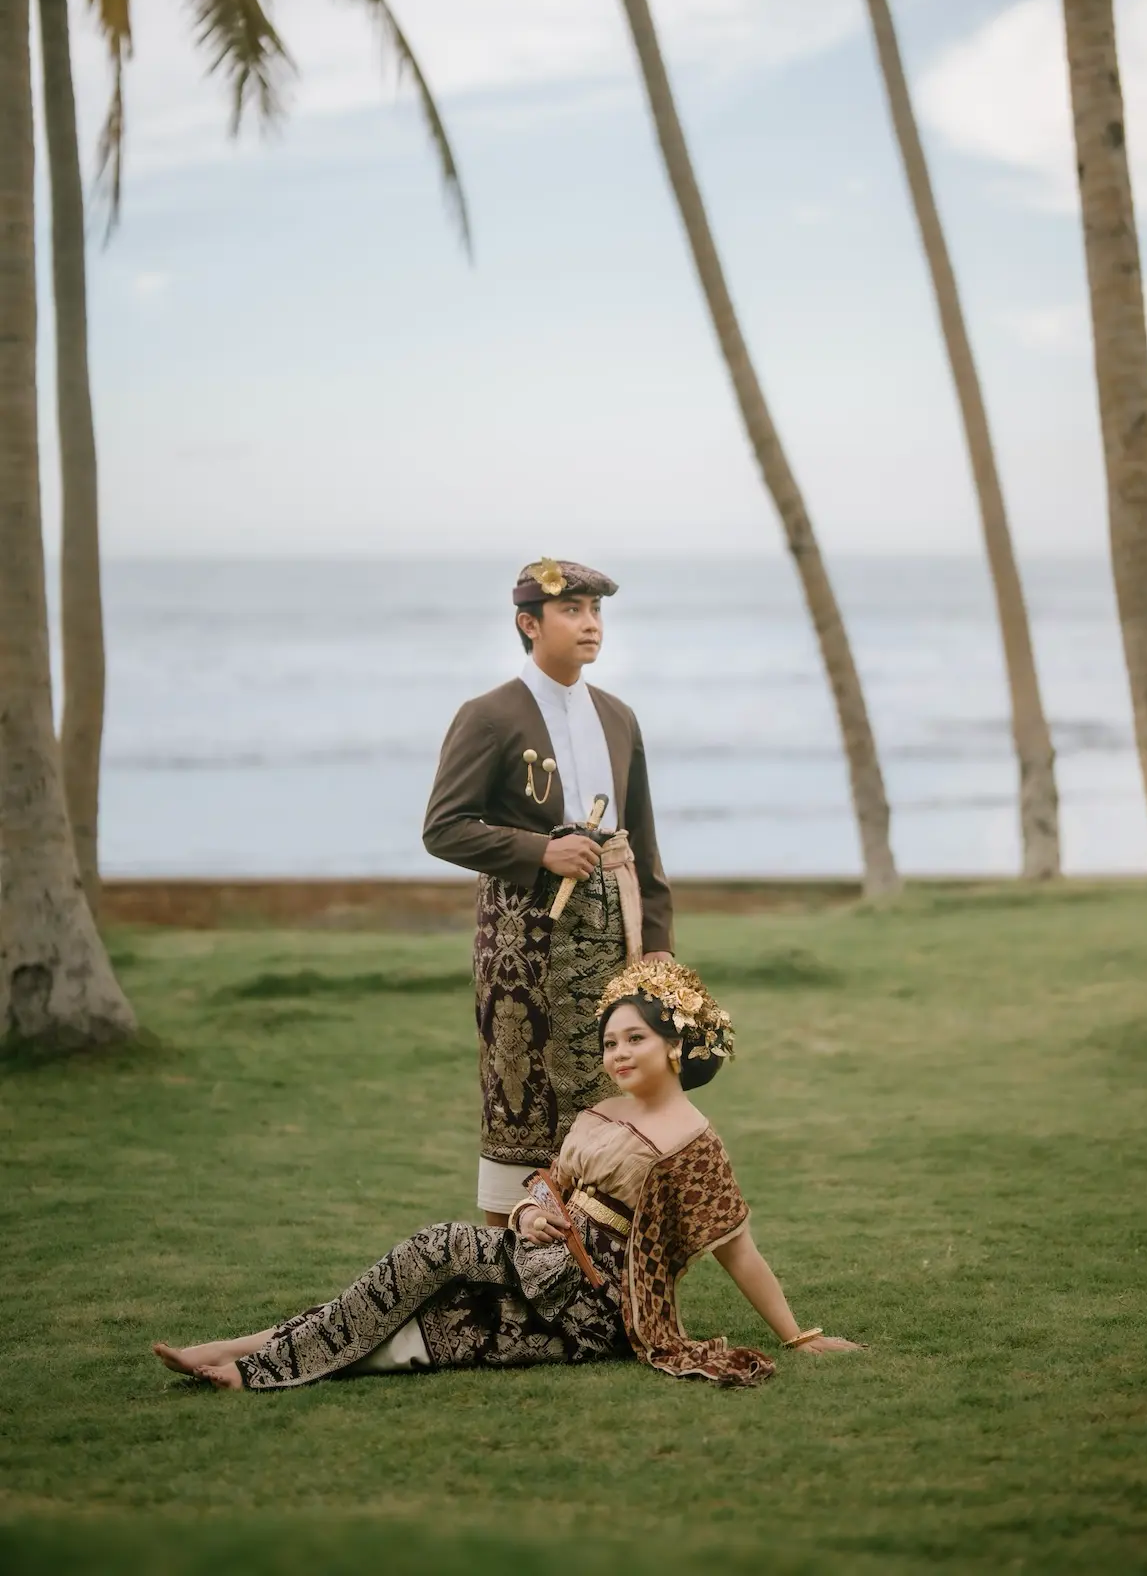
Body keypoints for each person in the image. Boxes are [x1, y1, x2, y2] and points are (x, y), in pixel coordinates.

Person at [152, 960, 863, 1391]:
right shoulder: (603, 1111)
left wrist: (796, 1335)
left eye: (635, 1038)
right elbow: (548, 1183)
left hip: (599, 1301)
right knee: (420, 1297)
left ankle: (249, 1367)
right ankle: (241, 1352)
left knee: (438, 1265)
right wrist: (529, 1214)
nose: (617, 1054)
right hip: (541, 1257)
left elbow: (739, 1252)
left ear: (676, 1045)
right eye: (609, 1041)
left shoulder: (696, 1144)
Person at [422, 557, 674, 1226]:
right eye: (572, 611)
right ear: (528, 624)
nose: (591, 625)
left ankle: (600, 1263)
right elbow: (443, 828)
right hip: (524, 947)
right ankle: (511, 1267)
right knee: (525, 1101)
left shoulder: (619, 717)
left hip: (615, 940)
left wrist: (659, 946)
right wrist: (541, 851)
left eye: (596, 611)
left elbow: (643, 842)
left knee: (618, 1082)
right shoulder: (488, 716)